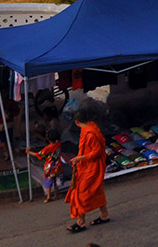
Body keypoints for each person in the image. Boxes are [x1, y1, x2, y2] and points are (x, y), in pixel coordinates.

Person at [66, 99, 110, 234]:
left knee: (81, 193)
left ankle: (81, 222)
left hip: (92, 167)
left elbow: (96, 152)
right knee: (96, 189)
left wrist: (80, 158)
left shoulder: (90, 133)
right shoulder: (91, 127)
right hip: (86, 166)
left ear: (77, 122)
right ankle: (104, 214)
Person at [27, 129, 67, 202]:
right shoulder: (59, 144)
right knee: (57, 181)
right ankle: (56, 195)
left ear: (48, 138)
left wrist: (29, 152)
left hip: (49, 167)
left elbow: (38, 155)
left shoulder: (47, 148)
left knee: (48, 181)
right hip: (58, 166)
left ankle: (48, 196)